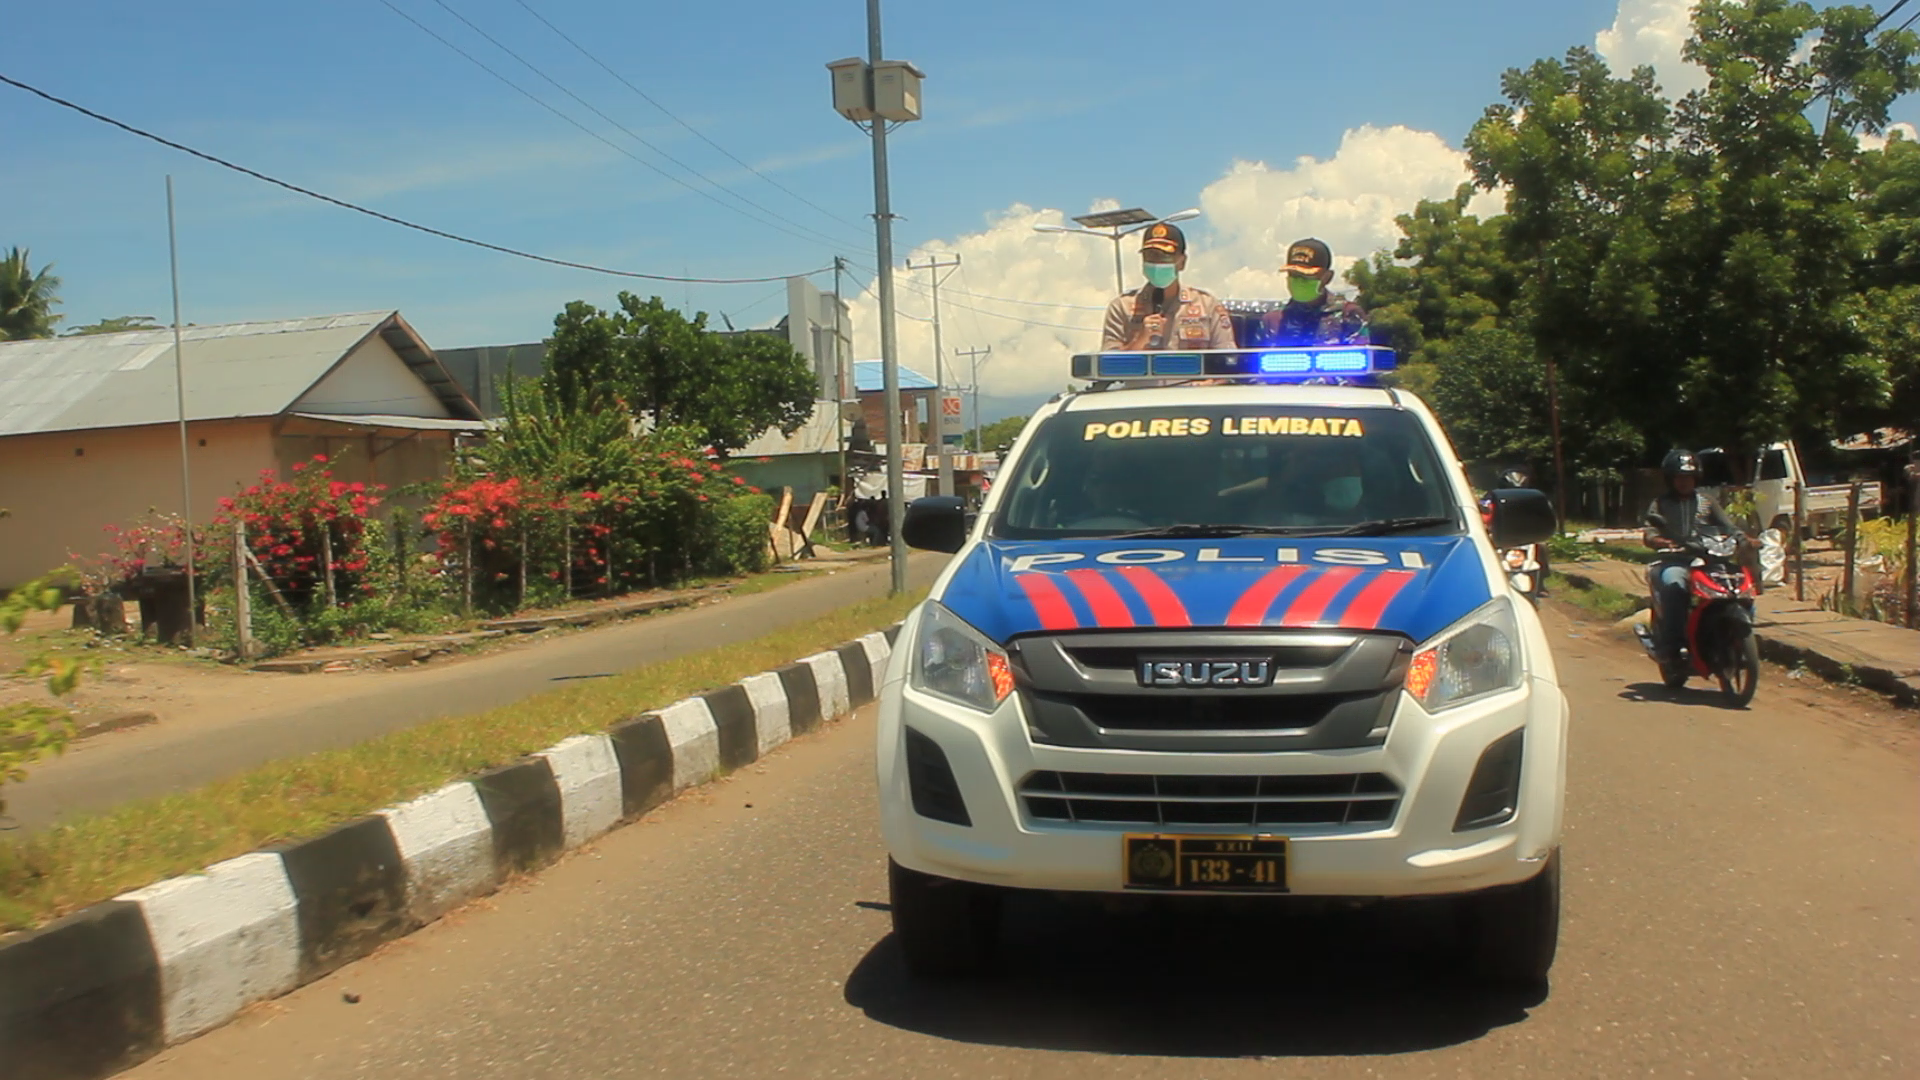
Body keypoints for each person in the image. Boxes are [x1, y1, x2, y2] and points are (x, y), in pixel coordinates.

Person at [1642, 448, 1742, 662]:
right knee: (1674, 587)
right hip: (1675, 561)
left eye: (1688, 477)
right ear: (1671, 479)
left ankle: (1739, 635)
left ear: (1696, 478)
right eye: (1679, 477)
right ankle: (1671, 646)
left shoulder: (1708, 502)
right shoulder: (1660, 504)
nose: (1684, 482)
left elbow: (1728, 527)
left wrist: (1745, 539)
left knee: (1737, 586)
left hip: (1709, 560)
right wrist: (1659, 541)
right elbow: (1650, 531)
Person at [1100, 222, 1237, 352]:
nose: (1157, 262)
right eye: (1150, 256)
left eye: (1165, 256)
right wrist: (1140, 340)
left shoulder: (1207, 306)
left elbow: (1228, 362)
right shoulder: (1121, 307)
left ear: (1182, 262)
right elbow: (1106, 366)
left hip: (1190, 377)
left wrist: (1209, 378)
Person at [1247, 238, 1369, 347]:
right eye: (1293, 275)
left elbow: (1362, 364)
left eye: (1307, 276)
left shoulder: (1348, 314)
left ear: (1327, 277)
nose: (1299, 281)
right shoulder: (1272, 320)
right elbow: (1255, 367)